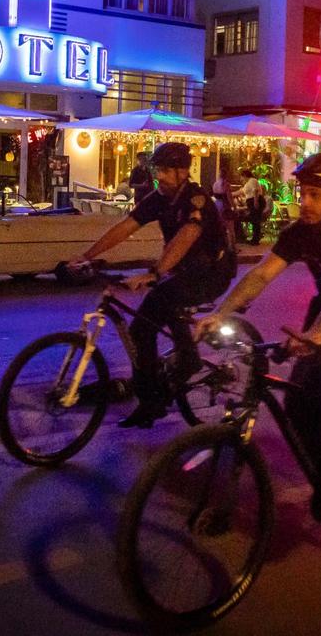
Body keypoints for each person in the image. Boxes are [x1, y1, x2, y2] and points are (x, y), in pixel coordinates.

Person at [196, 152, 321, 525]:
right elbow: (261, 275)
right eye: (302, 193)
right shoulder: (300, 233)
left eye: (314, 195)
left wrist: (317, 334)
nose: (303, 202)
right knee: (298, 402)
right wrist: (221, 313)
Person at [72, 142, 236, 428]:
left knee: (147, 320)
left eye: (164, 170)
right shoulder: (159, 198)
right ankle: (182, 361)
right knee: (157, 308)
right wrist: (87, 256)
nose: (159, 176)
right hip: (183, 271)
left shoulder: (196, 199)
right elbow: (127, 226)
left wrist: (156, 273)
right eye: (157, 169)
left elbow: (186, 236)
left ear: (182, 171)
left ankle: (156, 397)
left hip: (213, 272)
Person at [240, 167, 265, 245]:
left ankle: (256, 239)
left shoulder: (252, 180)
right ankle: (255, 238)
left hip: (256, 201)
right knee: (254, 220)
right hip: (252, 202)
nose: (240, 178)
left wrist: (256, 201)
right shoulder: (247, 183)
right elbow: (241, 191)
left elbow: (255, 191)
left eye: (241, 176)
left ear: (244, 175)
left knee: (255, 220)